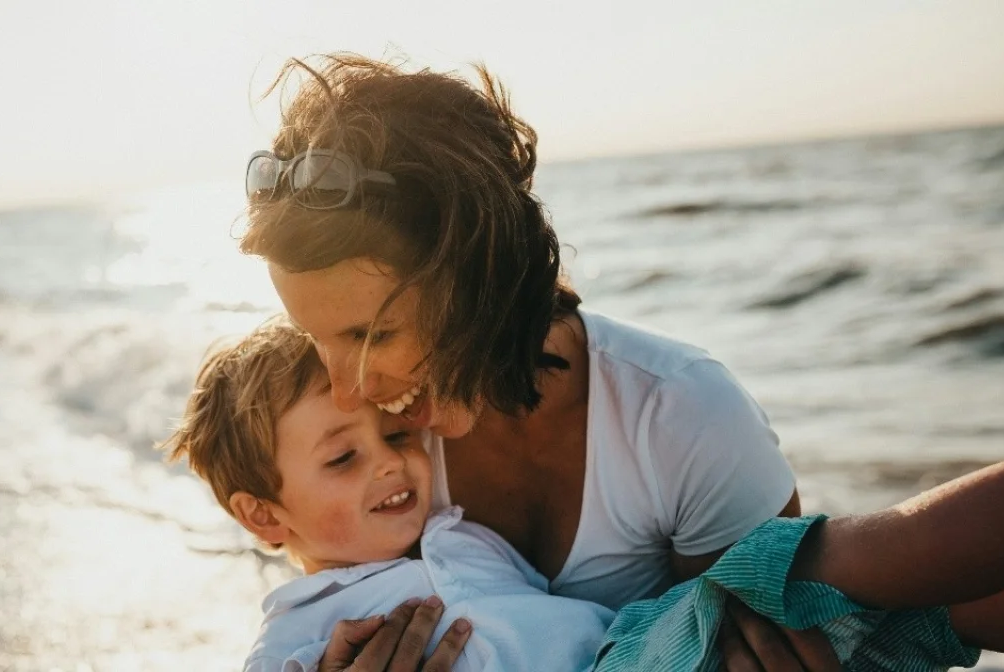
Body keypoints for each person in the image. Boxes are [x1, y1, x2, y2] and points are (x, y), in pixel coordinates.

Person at [239, 53, 815, 669]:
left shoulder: (680, 416)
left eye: (372, 337)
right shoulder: (366, 450)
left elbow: (769, 645)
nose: (347, 393)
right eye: (313, 337)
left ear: (481, 280)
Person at [166, 318, 1004, 671]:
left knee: (923, 611)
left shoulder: (459, 532)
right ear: (262, 516)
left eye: (393, 435)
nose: (393, 464)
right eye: (343, 461)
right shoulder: (300, 630)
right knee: (831, 565)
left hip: (646, 647)